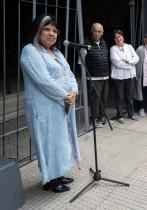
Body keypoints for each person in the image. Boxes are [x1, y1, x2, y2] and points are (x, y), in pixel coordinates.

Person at [20, 15, 80, 193]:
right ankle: (50, 180)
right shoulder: (30, 51)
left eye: (54, 30)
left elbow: (70, 75)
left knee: (62, 141)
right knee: (49, 142)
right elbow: (43, 81)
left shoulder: (58, 53)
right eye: (46, 29)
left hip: (62, 105)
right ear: (37, 31)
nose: (51, 33)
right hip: (44, 108)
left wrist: (74, 91)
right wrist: (66, 96)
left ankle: (58, 174)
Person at [85, 23, 112, 127]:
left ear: (102, 32)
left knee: (104, 99)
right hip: (94, 77)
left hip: (105, 76)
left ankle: (102, 117)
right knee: (95, 100)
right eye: (95, 31)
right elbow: (81, 62)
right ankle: (94, 119)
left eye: (99, 31)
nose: (97, 33)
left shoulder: (104, 42)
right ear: (92, 31)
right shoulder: (86, 43)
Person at [110, 29, 139, 124]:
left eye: (120, 36)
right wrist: (131, 65)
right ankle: (120, 115)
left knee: (130, 96)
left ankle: (131, 114)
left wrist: (128, 61)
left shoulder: (129, 47)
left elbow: (136, 58)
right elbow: (117, 64)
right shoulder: (113, 49)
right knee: (119, 97)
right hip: (119, 77)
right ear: (114, 39)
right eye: (116, 37)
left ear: (123, 37)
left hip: (130, 76)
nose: (118, 39)